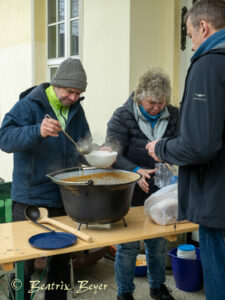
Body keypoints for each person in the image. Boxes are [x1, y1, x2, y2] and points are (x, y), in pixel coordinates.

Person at [146, 1, 225, 300]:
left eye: (190, 35)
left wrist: (161, 148)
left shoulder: (208, 64)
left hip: (219, 207)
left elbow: (200, 145)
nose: (192, 46)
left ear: (203, 27)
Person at [0, 57, 91, 300]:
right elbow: (5, 138)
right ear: (57, 84)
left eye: (79, 93)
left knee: (60, 264)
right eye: (70, 92)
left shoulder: (76, 110)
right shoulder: (29, 105)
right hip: (30, 199)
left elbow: (84, 144)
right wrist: (37, 131)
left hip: (63, 198)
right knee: (25, 265)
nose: (74, 98)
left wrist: (95, 153)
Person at [105, 67, 179, 300]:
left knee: (157, 243)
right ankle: (125, 292)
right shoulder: (122, 116)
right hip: (129, 190)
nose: (157, 107)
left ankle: (158, 287)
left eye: (161, 102)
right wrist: (135, 171)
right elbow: (113, 153)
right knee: (127, 247)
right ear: (139, 98)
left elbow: (181, 145)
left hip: (162, 190)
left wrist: (172, 167)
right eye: (151, 103)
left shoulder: (174, 115)